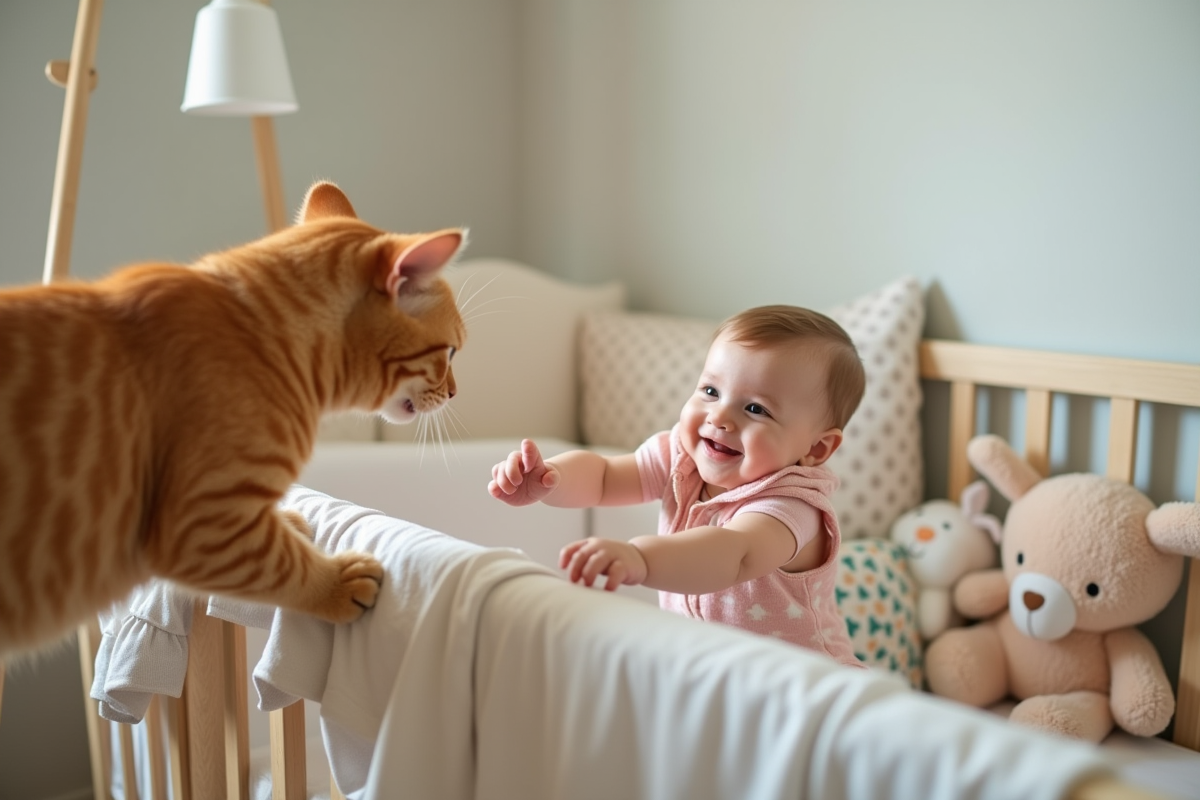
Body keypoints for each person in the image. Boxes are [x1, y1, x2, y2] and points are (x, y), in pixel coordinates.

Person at [488, 304, 866, 667]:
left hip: (807, 694)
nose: (719, 417)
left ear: (816, 448)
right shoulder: (679, 458)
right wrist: (549, 479)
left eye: (755, 409)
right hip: (718, 676)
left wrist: (641, 558)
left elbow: (734, 555)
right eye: (711, 391)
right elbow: (603, 478)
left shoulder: (793, 507)